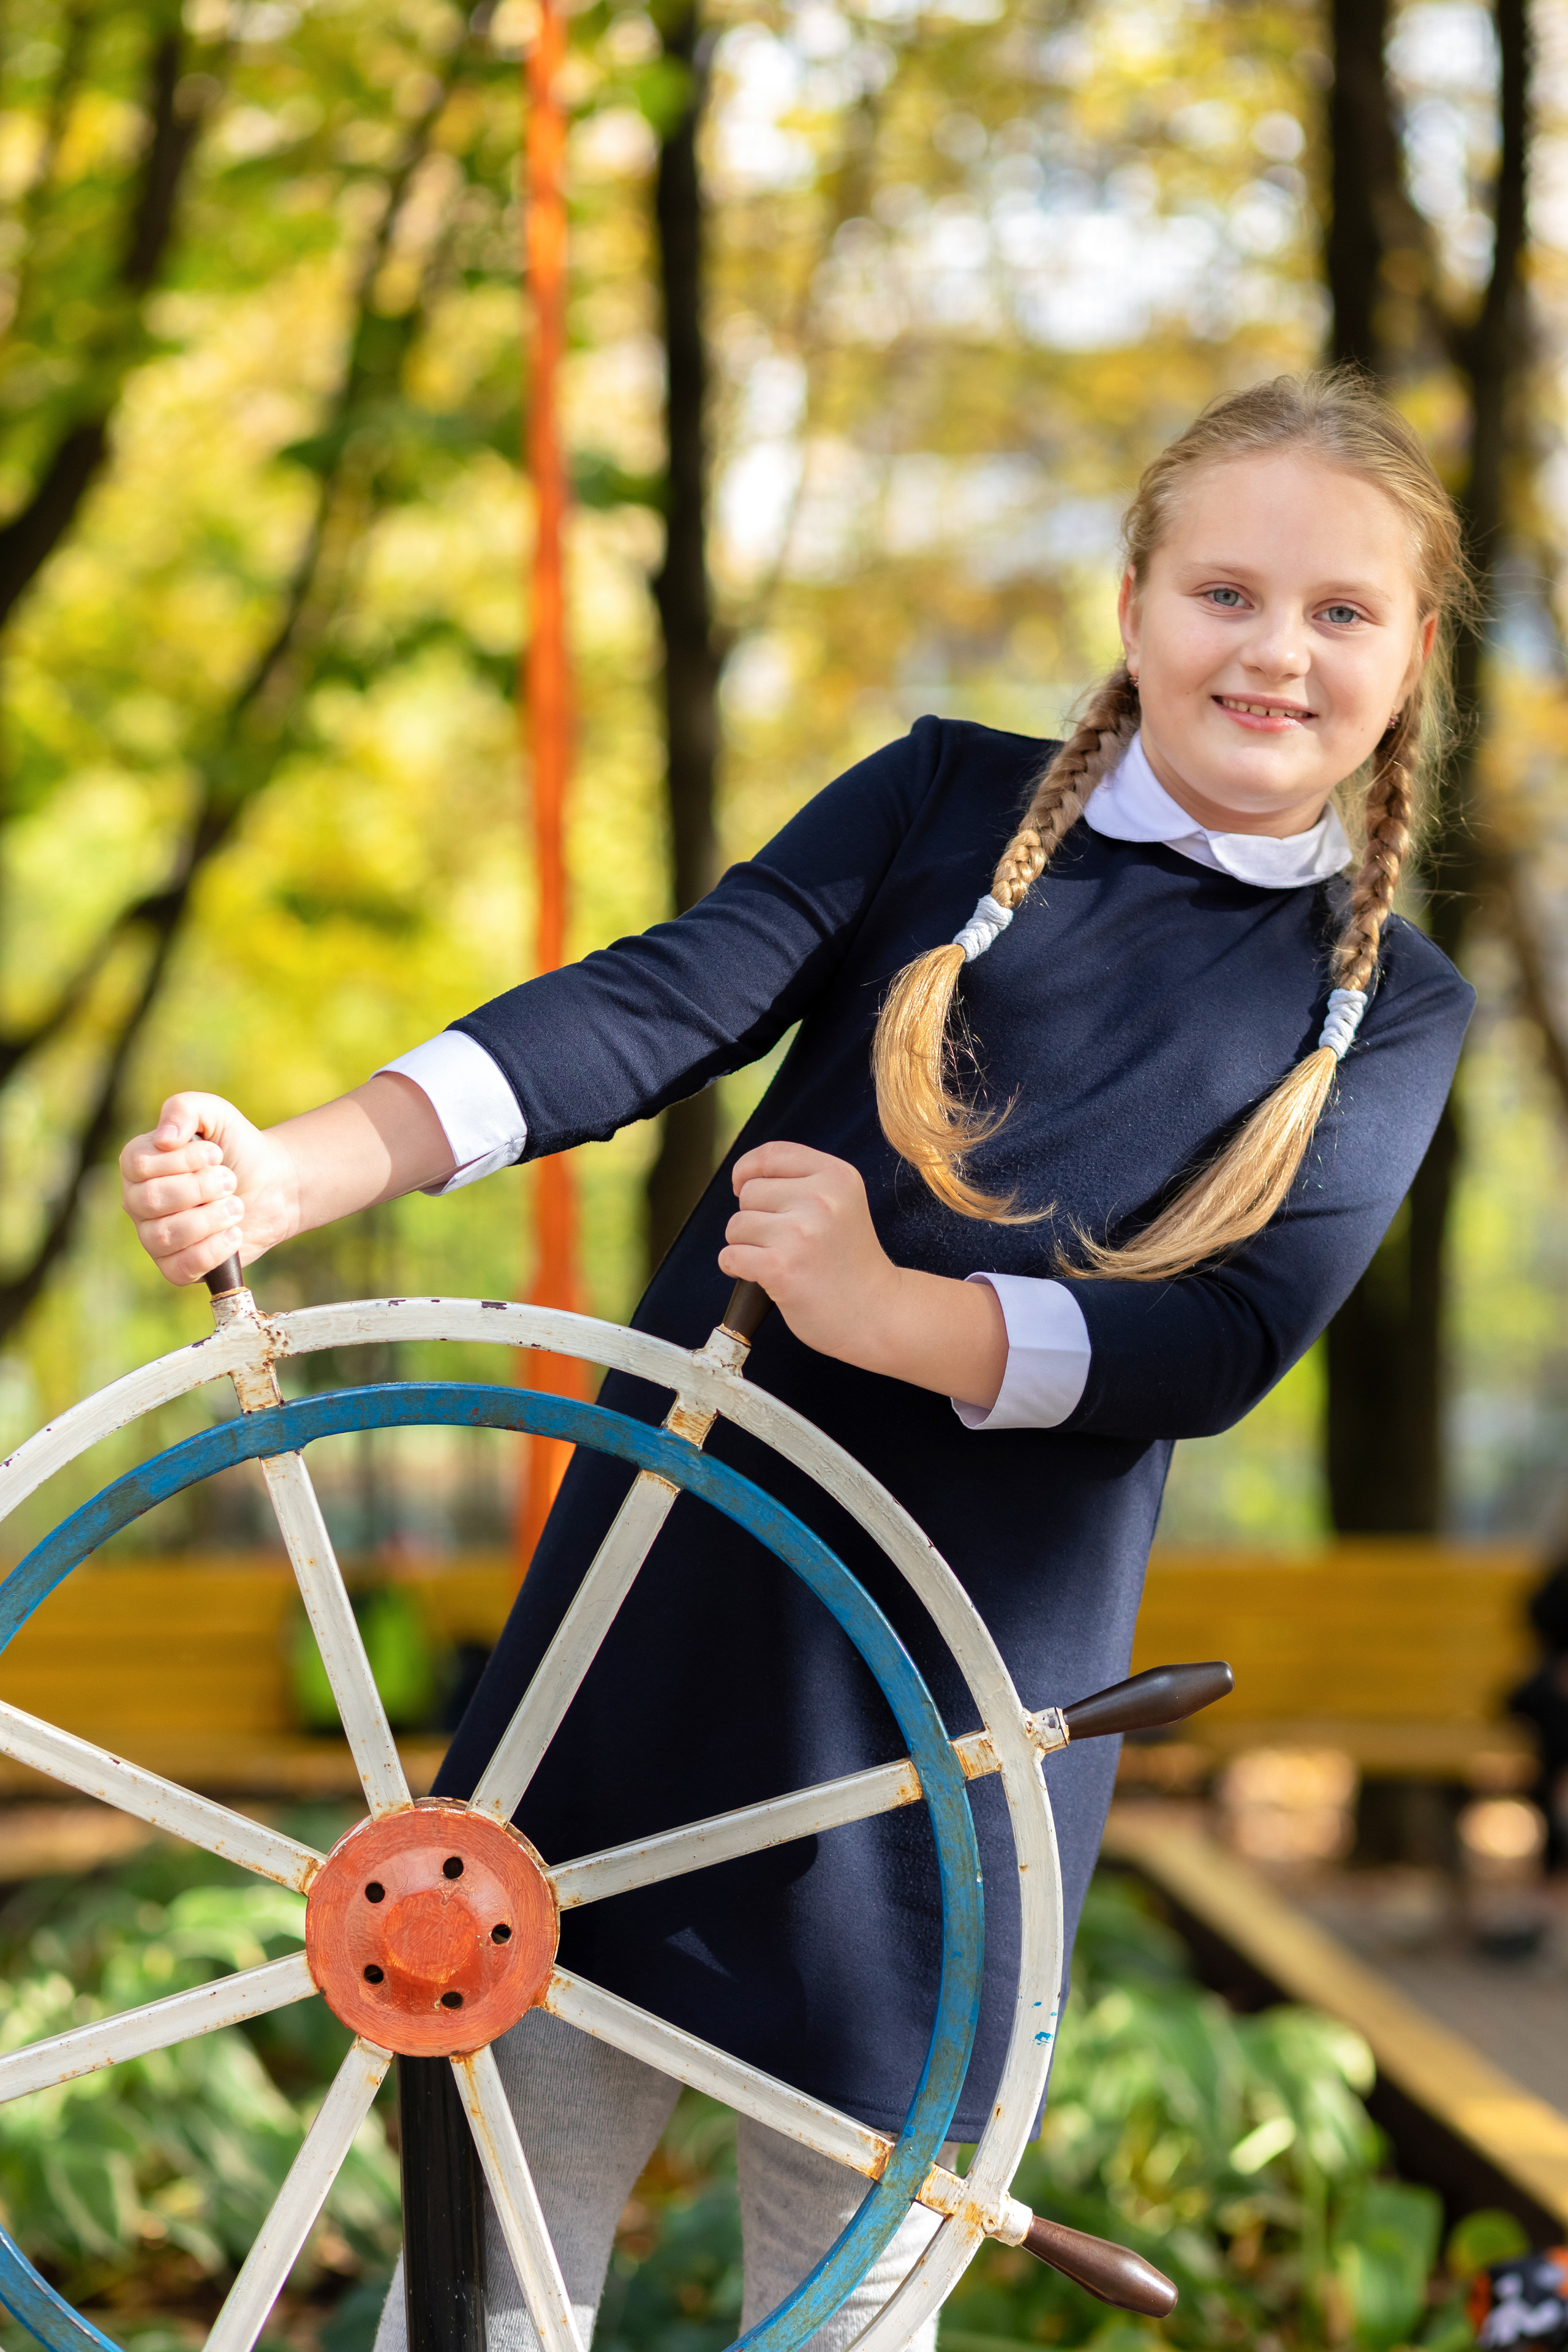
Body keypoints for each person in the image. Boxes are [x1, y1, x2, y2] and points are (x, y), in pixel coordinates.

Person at [121, 370, 1476, 2352]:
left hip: (958, 1710)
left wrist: (883, 1315)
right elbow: (654, 1004)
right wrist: (300, 1165)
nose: (1276, 653)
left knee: (848, 2297)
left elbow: (1220, 1341)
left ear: (1417, 651)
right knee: (489, 2251)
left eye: (1343, 612)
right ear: (1133, 602)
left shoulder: (1394, 1009)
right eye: (1226, 594)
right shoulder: (940, 800)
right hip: (656, 1630)